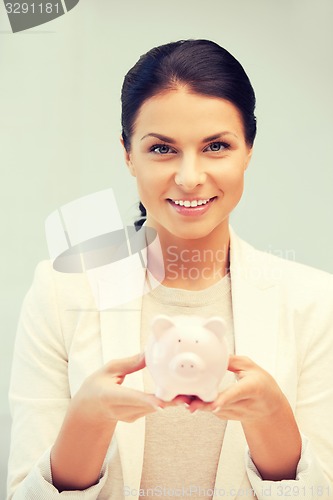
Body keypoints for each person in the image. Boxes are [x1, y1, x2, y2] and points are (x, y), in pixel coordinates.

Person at [7, 39, 333, 500]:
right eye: (162, 149)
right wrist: (88, 420)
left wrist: (271, 419)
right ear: (127, 153)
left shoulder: (315, 302)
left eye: (216, 146)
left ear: (249, 150)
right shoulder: (62, 292)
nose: (189, 176)